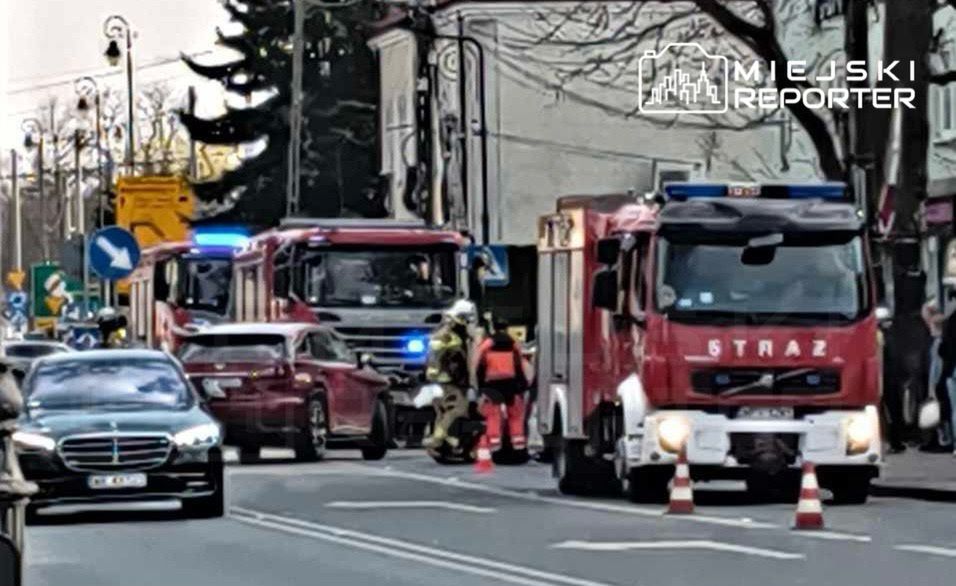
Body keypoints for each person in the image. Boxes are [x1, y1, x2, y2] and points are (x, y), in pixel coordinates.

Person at [422, 300, 477, 451]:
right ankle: (438, 438)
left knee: (442, 411)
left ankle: (446, 438)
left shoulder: (441, 332)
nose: (467, 323)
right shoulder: (449, 336)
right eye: (466, 319)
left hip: (436, 380)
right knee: (458, 409)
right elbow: (452, 360)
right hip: (447, 381)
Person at [475, 317, 529, 452]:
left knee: (493, 414)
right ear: (506, 328)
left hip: (493, 384)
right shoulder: (513, 344)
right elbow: (519, 366)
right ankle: (518, 442)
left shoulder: (487, 344)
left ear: (493, 327)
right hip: (511, 383)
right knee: (515, 414)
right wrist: (522, 384)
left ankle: (494, 443)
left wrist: (480, 386)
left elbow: (480, 366)